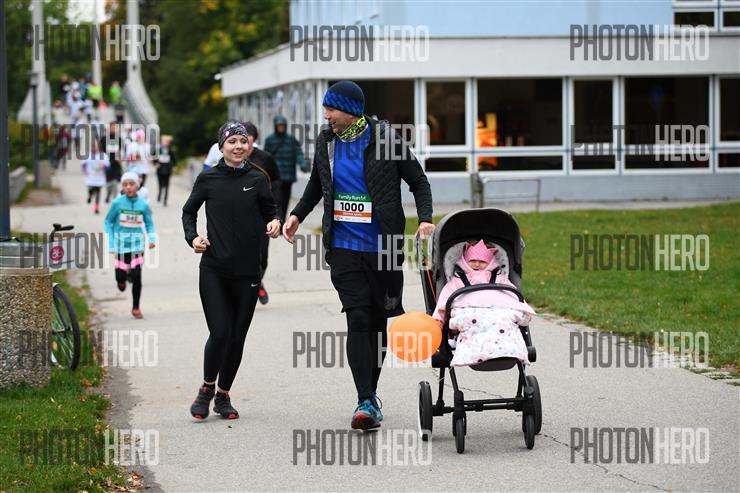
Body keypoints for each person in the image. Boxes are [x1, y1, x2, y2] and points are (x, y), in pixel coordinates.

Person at [282, 80, 435, 430]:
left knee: (378, 322)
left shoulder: (386, 139)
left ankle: (371, 394)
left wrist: (425, 218)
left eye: (331, 109)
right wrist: (297, 215)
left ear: (350, 110)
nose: (326, 116)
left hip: (383, 247)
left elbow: (418, 181)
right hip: (344, 247)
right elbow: (317, 184)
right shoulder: (327, 141)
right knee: (358, 318)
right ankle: (364, 399)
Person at [182, 121, 281, 420]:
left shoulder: (258, 178)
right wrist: (193, 238)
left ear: (249, 145)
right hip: (214, 268)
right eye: (232, 142)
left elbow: (270, 210)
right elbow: (189, 211)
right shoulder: (208, 178)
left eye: (242, 141)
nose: (238, 146)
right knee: (220, 332)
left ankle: (223, 395)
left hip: (248, 271)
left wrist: (274, 223)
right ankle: (206, 389)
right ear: (221, 146)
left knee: (237, 336)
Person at [432, 240, 535, 366]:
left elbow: (513, 295)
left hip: (497, 310)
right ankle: (472, 352)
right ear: (464, 261)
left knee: (505, 320)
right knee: (471, 321)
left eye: (482, 262)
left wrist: (522, 308)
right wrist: (438, 319)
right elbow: (444, 299)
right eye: (472, 260)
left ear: (490, 262)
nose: (477, 264)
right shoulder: (457, 281)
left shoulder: (499, 279)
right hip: (468, 311)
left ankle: (509, 349)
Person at [104, 171, 157, 319]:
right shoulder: (117, 203)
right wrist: (111, 242)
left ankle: (136, 307)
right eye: (125, 184)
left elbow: (149, 224)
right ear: (122, 187)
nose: (128, 187)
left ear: (137, 186)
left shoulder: (143, 205)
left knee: (137, 276)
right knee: (120, 278)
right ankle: (122, 280)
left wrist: (152, 239)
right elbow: (108, 222)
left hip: (137, 245)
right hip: (120, 245)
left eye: (131, 184)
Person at [242, 121, 281, 305]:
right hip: (239, 215)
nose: (244, 144)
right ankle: (249, 286)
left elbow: (277, 181)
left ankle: (257, 282)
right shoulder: (231, 159)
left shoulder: (265, 158)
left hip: (262, 214)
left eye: (248, 140)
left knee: (262, 256)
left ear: (255, 140)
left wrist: (276, 213)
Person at [264, 115, 304, 222]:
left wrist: (303, 163)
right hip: (275, 177)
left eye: (282, 125)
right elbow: (266, 157)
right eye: (279, 126)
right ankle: (278, 221)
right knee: (277, 201)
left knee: (285, 201)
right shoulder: (270, 140)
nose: (281, 127)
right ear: (275, 126)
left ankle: (281, 220)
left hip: (288, 177)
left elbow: (298, 153)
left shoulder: (291, 140)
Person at [81, 138, 109, 214]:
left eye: (97, 146)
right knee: (91, 189)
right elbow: (83, 164)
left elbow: (108, 166)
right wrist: (85, 170)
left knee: (98, 191)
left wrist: (103, 166)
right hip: (90, 176)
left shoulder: (103, 155)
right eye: (94, 146)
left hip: (99, 177)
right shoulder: (88, 155)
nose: (95, 148)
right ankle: (90, 195)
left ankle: (96, 207)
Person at [104, 122, 123, 203]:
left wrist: (120, 159)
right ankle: (108, 194)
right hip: (107, 164)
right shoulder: (104, 139)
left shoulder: (119, 139)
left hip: (116, 164)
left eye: (115, 128)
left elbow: (121, 150)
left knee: (115, 181)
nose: (113, 129)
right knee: (109, 182)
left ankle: (115, 199)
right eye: (112, 127)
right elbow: (102, 151)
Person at [154, 135, 176, 206]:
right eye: (163, 141)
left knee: (167, 185)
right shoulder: (158, 149)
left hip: (167, 168)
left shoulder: (170, 150)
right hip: (160, 168)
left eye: (166, 141)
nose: (164, 143)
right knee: (160, 184)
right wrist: (155, 163)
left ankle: (165, 200)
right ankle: (159, 195)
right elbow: (154, 157)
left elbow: (174, 159)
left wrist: (174, 166)